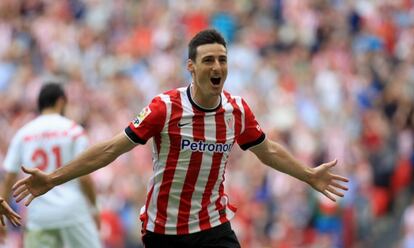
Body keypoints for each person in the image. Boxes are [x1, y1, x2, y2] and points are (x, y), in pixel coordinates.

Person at [12, 29, 349, 248]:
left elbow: (267, 150)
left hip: (213, 225)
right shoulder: (165, 108)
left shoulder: (237, 111)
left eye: (222, 60)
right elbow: (112, 148)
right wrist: (54, 179)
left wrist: (308, 174)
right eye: (208, 61)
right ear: (191, 67)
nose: (217, 67)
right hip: (165, 230)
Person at [2, 83, 102, 248]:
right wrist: (94, 208)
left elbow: (8, 177)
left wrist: (2, 215)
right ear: (61, 101)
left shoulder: (23, 134)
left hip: (39, 216)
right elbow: (84, 177)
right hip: (73, 213)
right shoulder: (73, 130)